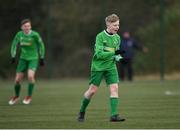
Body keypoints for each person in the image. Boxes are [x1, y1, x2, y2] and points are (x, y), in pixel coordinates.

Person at [77, 14, 125, 122]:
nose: (117, 27)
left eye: (118, 25)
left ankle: (114, 115)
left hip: (111, 67)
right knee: (92, 91)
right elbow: (99, 54)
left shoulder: (117, 38)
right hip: (98, 67)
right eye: (114, 25)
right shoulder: (100, 36)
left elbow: (116, 54)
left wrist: (121, 59)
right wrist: (114, 52)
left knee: (114, 88)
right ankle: (82, 111)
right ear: (108, 24)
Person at [8, 19, 45, 105]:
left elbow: (41, 45)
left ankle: (29, 96)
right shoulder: (19, 35)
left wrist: (42, 57)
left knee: (30, 77)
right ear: (22, 27)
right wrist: (13, 56)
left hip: (33, 58)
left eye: (28, 26)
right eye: (25, 26)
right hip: (23, 59)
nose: (27, 27)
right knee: (17, 80)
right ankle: (16, 96)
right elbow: (14, 44)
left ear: (30, 26)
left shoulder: (35, 35)